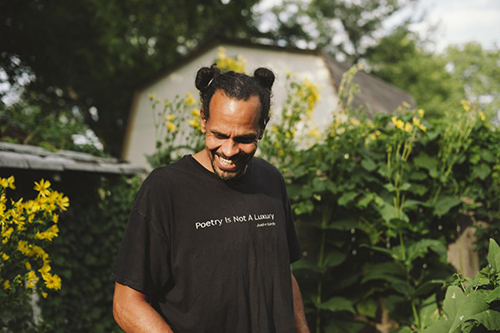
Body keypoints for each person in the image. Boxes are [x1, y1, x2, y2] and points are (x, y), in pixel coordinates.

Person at [111, 64, 309, 333]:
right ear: (203, 119)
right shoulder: (165, 189)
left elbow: (283, 274)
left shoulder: (271, 181)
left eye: (244, 139)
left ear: (262, 127)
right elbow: (126, 303)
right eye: (219, 135)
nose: (229, 150)